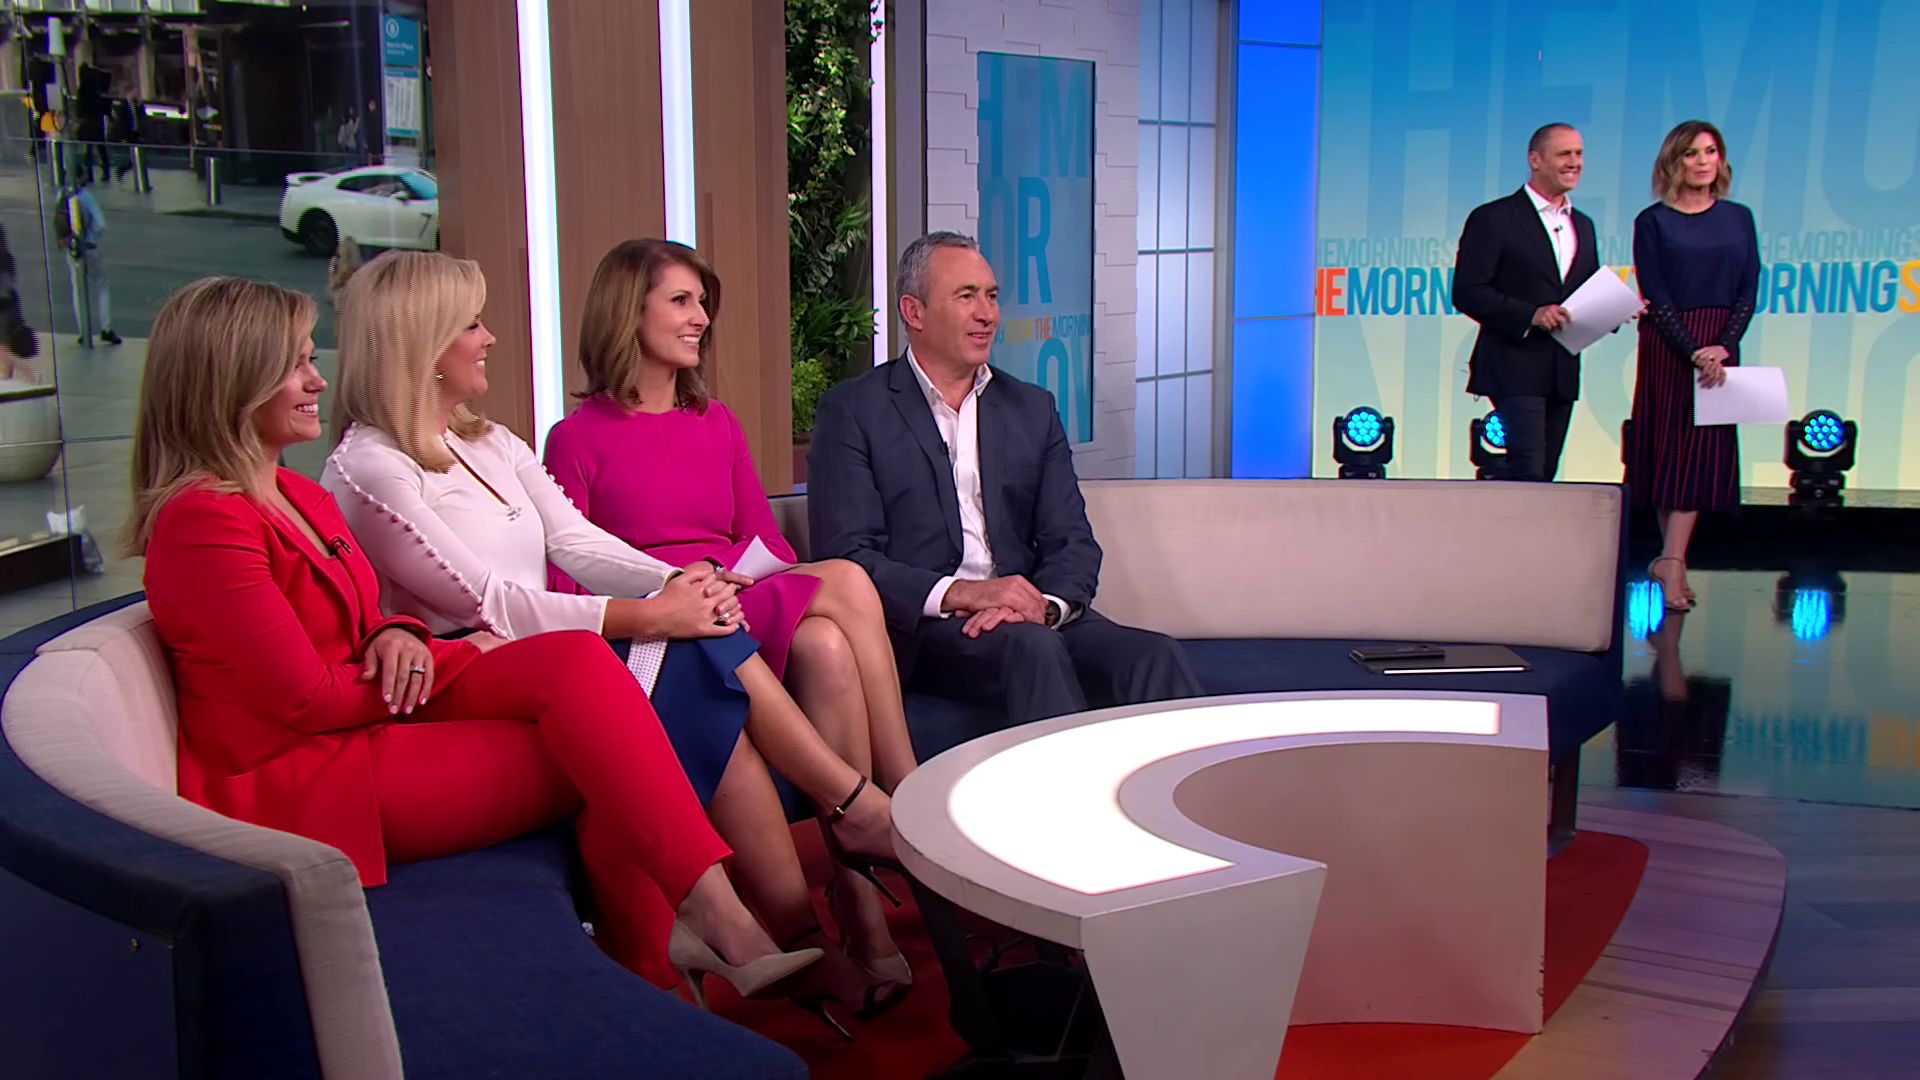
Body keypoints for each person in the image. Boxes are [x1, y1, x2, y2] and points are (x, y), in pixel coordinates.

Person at [130, 275, 818, 1005]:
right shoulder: (204, 521)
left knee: (581, 666)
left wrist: (397, 633)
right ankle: (695, 930)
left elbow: (368, 612)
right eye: (296, 365)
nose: (317, 380)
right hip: (310, 775)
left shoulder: (297, 493)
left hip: (377, 712)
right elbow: (304, 699)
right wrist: (456, 652)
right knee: (615, 742)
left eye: (310, 359)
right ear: (233, 383)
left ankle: (686, 932)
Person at [320, 251, 908, 1035]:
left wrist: (678, 584)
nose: (490, 338)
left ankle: (804, 923)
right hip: (473, 675)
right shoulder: (370, 466)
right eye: (472, 324)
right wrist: (652, 614)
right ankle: (852, 814)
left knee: (702, 659)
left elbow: (577, 540)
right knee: (696, 650)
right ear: (420, 343)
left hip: (549, 659)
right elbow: (488, 601)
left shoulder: (490, 443)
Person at [543, 237, 921, 990]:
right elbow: (566, 579)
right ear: (628, 312)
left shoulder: (715, 421)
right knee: (833, 621)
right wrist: (675, 593)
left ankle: (862, 874)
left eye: (702, 303)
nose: (701, 318)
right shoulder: (573, 439)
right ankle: (893, 812)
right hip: (661, 624)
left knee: (833, 620)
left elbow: (768, 541)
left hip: (739, 595)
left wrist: (727, 578)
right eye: (682, 301)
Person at [808, 231, 1203, 728]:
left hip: (1030, 615)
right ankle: (1070, 785)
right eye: (966, 296)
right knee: (1032, 650)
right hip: (929, 629)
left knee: (1154, 656)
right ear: (914, 312)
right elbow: (848, 556)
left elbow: (1072, 541)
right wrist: (964, 593)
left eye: (991, 296)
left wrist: (1046, 607)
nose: (987, 314)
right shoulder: (854, 411)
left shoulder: (1031, 408)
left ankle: (1189, 783)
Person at [1625, 120, 1760, 611]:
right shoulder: (1652, 222)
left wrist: (1722, 345)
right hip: (1670, 346)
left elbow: (1748, 288)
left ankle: (1671, 561)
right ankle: (1673, 563)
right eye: (1692, 153)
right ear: (1673, 161)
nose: (1703, 161)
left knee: (1700, 458)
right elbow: (1656, 295)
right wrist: (1693, 351)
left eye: (1711, 151)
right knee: (1671, 455)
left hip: (1720, 347)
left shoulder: (1739, 218)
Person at [1454, 123, 1601, 481]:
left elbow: (1584, 290)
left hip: (1563, 369)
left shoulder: (1583, 224)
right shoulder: (1494, 218)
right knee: (1528, 470)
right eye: (1564, 154)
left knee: (1545, 473)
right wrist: (1530, 315)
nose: (1575, 162)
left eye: (1579, 154)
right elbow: (1468, 291)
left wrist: (1613, 309)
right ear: (1535, 160)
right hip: (1514, 365)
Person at [57, 173, 120, 347]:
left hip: (72, 249)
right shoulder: (85, 196)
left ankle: (83, 331)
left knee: (77, 288)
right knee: (101, 284)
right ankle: (106, 328)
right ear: (79, 177)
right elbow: (101, 223)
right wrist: (92, 236)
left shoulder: (61, 195)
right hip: (89, 247)